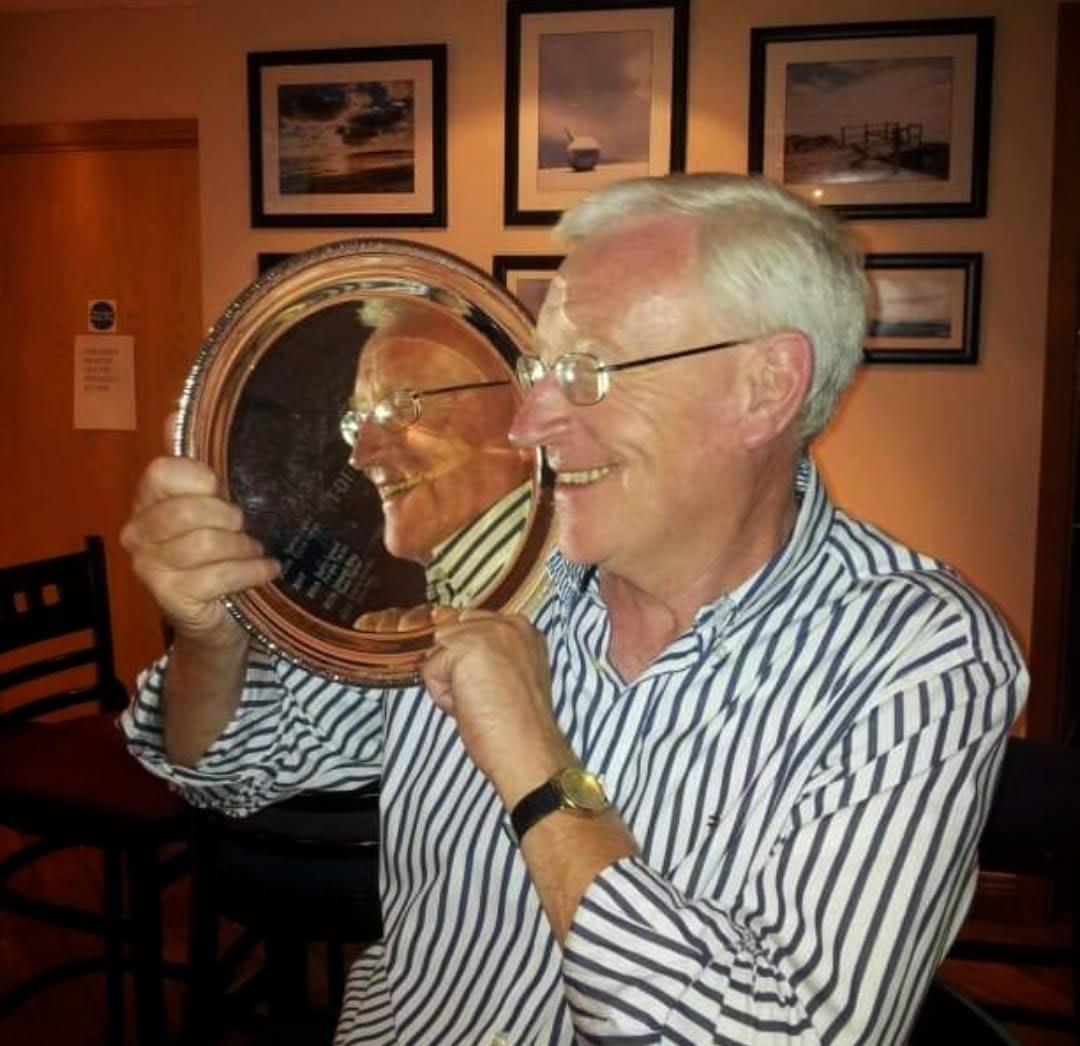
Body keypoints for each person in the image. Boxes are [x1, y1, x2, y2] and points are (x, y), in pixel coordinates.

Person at [121, 172, 1026, 1045]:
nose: (528, 424)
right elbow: (231, 764)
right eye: (538, 370)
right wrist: (211, 641)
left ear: (765, 386)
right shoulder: (498, 571)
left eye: (588, 371)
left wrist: (538, 763)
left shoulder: (921, 656)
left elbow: (784, 1032)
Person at [343, 298, 532, 613]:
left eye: (399, 407)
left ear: (523, 409)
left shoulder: (570, 596)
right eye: (358, 420)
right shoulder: (480, 602)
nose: (360, 457)